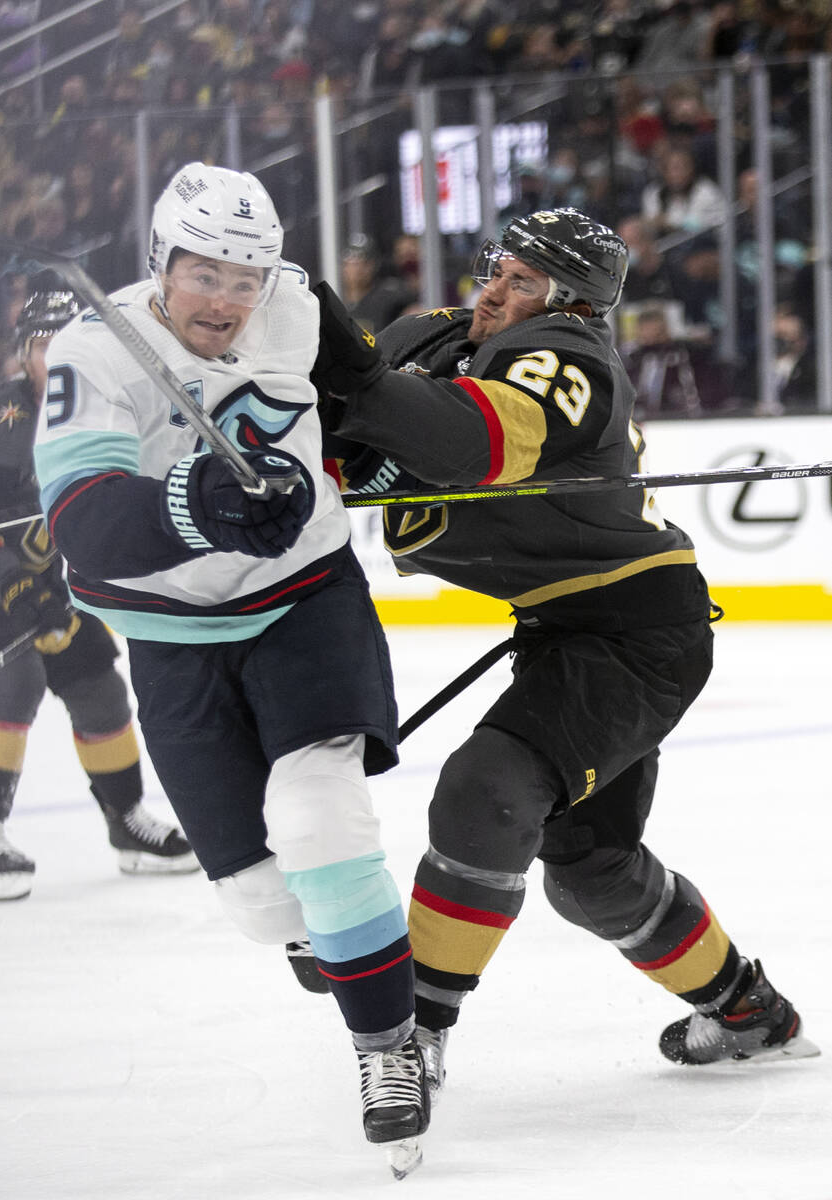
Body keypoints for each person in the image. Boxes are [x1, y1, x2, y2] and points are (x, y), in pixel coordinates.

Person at [310, 206, 819, 1098]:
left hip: (634, 634)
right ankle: (749, 1012)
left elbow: (472, 441)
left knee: (486, 792)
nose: (494, 294)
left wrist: (353, 378)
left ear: (573, 304)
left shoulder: (566, 355)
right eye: (497, 272)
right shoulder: (429, 334)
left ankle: (408, 1035)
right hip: (567, 628)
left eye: (523, 282)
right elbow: (327, 433)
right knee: (589, 874)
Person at [32, 162, 429, 1174]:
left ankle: (387, 1048)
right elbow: (81, 525)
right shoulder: (95, 349)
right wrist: (190, 504)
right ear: (160, 262)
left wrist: (372, 452)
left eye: (245, 278)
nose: (226, 300)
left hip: (305, 600)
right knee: (263, 905)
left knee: (317, 815)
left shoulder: (297, 305)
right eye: (204, 274)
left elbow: (365, 393)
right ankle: (338, 940)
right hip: (170, 632)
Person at [0, 284, 199, 902]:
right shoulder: (0, 423)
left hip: (37, 579)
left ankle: (126, 823)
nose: (56, 357)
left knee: (95, 673)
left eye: (68, 343)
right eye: (43, 345)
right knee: (12, 678)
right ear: (23, 355)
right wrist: (19, 591)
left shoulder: (106, 411)